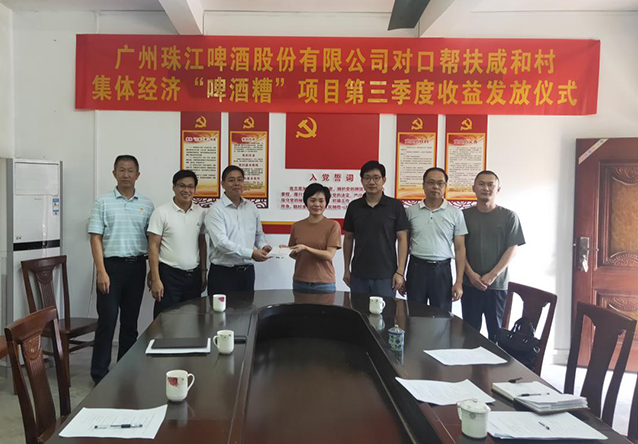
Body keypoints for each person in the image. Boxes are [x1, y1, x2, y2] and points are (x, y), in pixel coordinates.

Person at [88, 154, 154, 384]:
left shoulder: (147, 204)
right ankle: (99, 374)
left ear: (138, 174)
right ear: (114, 173)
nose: (126, 175)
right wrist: (101, 271)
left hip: (137, 267)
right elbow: (95, 238)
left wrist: (152, 270)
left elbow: (152, 241)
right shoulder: (103, 202)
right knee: (107, 321)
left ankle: (125, 370)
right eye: (121, 170)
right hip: (111, 269)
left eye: (130, 170)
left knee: (130, 321)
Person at [462, 170, 526, 340]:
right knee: (469, 334)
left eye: (491, 184)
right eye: (481, 184)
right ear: (474, 188)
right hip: (470, 284)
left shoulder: (509, 216)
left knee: (497, 334)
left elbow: (512, 248)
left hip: (497, 286)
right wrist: (470, 274)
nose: (486, 188)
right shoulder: (463, 216)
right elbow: (459, 248)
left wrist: (492, 275)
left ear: (498, 189)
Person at [343, 160, 409, 297]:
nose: (371, 182)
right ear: (361, 181)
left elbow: (403, 239)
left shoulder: (395, 206)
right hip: (359, 274)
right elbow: (348, 238)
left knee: (385, 311)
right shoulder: (354, 206)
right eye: (367, 178)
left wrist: (400, 271)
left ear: (384, 180)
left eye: (376, 178)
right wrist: (346, 269)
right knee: (358, 310)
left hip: (386, 275)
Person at [405, 167, 467, 312]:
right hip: (416, 269)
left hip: (442, 271)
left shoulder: (455, 213)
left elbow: (460, 248)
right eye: (431, 182)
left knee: (441, 317)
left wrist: (459, 281)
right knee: (414, 314)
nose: (435, 187)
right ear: (423, 185)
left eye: (440, 183)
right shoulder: (410, 212)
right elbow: (404, 244)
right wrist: (401, 273)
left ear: (445, 186)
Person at [147, 170, 207, 318]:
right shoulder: (161, 212)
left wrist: (203, 272)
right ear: (174, 187)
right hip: (168, 276)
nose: (186, 190)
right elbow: (153, 246)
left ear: (195, 189)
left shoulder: (201, 212)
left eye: (190, 186)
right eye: (182, 186)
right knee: (165, 320)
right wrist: (155, 278)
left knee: (192, 320)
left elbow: (202, 243)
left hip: (193, 276)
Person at [205, 165, 271, 294]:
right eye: (231, 180)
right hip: (223, 274)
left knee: (248, 307)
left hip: (247, 273)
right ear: (223, 184)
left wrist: (264, 246)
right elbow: (221, 243)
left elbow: (258, 234)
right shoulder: (216, 210)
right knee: (220, 308)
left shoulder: (251, 207)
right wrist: (251, 253)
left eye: (240, 180)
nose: (236, 183)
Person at [286, 183, 342, 293]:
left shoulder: (333, 225)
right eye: (312, 200)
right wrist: (285, 250)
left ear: (326, 203)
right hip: (300, 281)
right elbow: (295, 254)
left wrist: (306, 248)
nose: (317, 204)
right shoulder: (297, 226)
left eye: (321, 201)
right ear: (306, 202)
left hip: (324, 283)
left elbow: (329, 255)